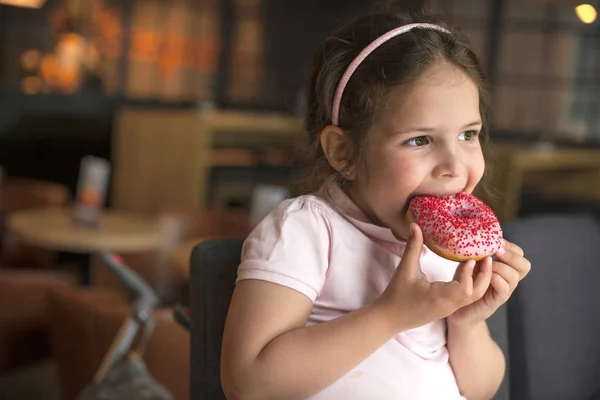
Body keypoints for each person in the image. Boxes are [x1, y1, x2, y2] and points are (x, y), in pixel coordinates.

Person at [221, 7, 531, 400]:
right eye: (420, 140)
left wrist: (466, 322)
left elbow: (480, 389)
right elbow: (248, 383)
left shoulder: (445, 253)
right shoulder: (307, 230)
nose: (454, 166)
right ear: (344, 151)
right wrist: (391, 316)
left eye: (468, 135)